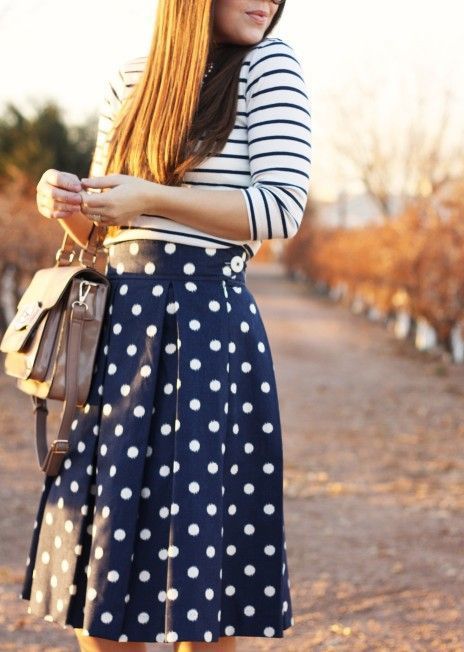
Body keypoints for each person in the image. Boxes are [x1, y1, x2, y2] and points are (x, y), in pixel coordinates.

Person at [22, 0, 312, 649]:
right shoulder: (131, 79)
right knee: (101, 575)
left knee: (198, 579)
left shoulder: (269, 65)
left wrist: (150, 195)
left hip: (208, 328)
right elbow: (104, 230)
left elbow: (280, 208)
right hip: (117, 330)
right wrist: (65, 203)